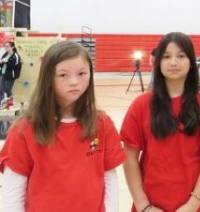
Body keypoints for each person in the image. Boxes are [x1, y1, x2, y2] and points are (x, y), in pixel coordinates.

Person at [0, 41, 125, 212]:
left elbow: (109, 178)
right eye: (63, 75)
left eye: (82, 73)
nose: (74, 82)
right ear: (48, 78)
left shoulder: (102, 124)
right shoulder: (24, 129)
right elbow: (13, 192)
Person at [121, 32, 200, 212]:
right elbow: (129, 157)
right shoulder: (141, 105)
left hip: (194, 205)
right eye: (166, 56)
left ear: (191, 62)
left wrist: (193, 204)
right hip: (150, 205)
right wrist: (144, 205)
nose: (173, 62)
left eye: (181, 56)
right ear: (157, 63)